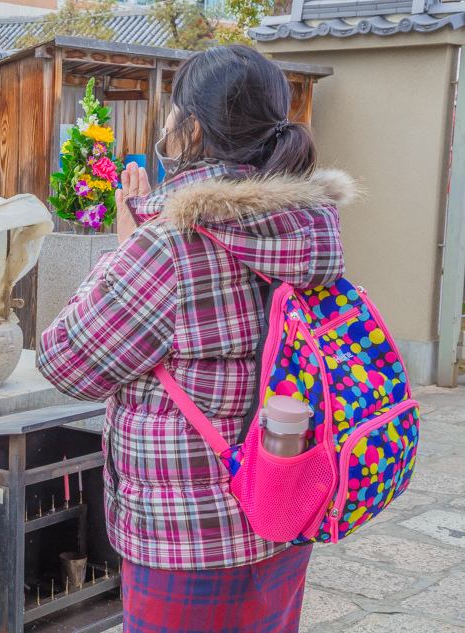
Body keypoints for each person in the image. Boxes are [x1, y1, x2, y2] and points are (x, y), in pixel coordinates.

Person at [36, 45, 357, 633]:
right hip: (285, 506)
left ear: (192, 128)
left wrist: (127, 242)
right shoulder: (310, 231)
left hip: (188, 541)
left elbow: (65, 361)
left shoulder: (170, 244)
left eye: (171, 113)